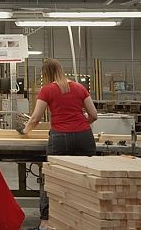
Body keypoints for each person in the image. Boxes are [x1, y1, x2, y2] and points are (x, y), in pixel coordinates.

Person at [22, 59, 98, 230]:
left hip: (60, 137)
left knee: (51, 178)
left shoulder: (47, 90)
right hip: (84, 137)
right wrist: (80, 125)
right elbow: (94, 115)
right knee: (86, 178)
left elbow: (35, 118)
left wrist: (24, 131)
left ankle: (45, 223)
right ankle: (87, 221)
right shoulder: (79, 88)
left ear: (46, 74)